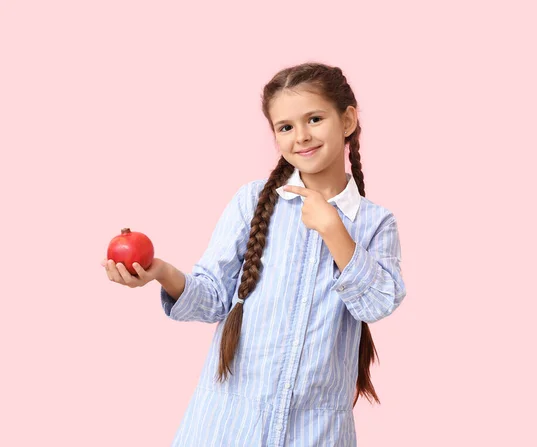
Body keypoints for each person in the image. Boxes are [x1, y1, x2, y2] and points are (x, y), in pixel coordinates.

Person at [102, 62, 407, 446]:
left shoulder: (376, 222)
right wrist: (160, 271)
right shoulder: (252, 201)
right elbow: (213, 297)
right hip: (227, 426)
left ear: (347, 121)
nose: (302, 136)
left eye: (314, 118)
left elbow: (379, 302)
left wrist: (333, 229)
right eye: (286, 127)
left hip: (315, 434)